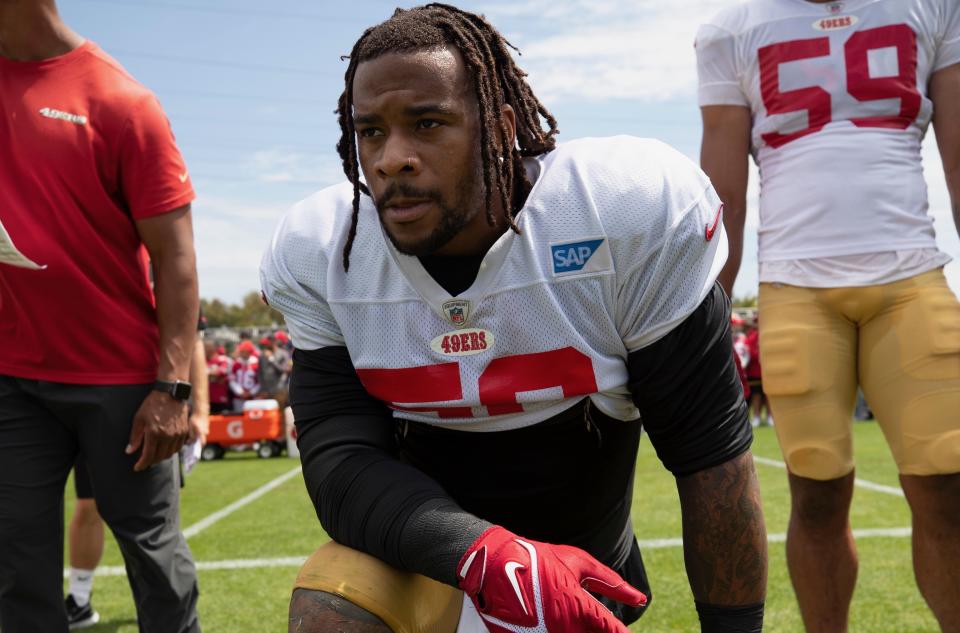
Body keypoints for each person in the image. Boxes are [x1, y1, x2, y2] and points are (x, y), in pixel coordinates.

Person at [262, 5, 768, 633]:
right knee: (331, 604)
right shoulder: (325, 250)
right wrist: (492, 559)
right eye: (370, 132)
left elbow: (711, 457)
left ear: (499, 127)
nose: (393, 158)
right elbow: (340, 466)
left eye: (427, 123)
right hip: (433, 569)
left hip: (581, 581)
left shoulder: (614, 210)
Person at [696, 1, 960, 630]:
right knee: (816, 494)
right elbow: (723, 193)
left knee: (947, 489)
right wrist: (710, 314)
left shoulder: (932, 6)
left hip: (911, 277)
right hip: (796, 289)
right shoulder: (731, 29)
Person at [0, 1, 201, 631]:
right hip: (11, 381)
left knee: (155, 561)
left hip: (121, 384)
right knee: (14, 569)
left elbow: (176, 258)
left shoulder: (121, 101)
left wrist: (173, 389)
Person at [63, 330, 209, 631]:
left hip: (140, 396)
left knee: (154, 526)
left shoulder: (163, 283)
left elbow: (191, 338)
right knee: (86, 504)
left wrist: (200, 411)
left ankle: (163, 609)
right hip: (72, 390)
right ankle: (79, 598)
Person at [229, 341, 261, 408]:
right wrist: (240, 392)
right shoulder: (235, 364)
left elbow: (260, 382)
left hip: (253, 397)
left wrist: (251, 392)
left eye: (245, 352)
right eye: (242, 351)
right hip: (238, 397)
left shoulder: (256, 364)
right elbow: (232, 380)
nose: (243, 354)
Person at [205, 340, 233, 414]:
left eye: (208, 347)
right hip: (207, 398)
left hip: (221, 397)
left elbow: (222, 371)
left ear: (214, 348)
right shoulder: (203, 360)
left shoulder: (222, 359)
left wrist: (207, 373)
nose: (205, 349)